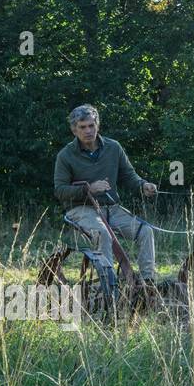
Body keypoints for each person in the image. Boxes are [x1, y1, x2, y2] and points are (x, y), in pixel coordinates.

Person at [53, 104, 158, 283]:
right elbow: (60, 191)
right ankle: (109, 286)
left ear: (98, 125)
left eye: (91, 125)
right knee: (103, 234)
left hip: (111, 208)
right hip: (81, 209)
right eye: (82, 127)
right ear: (74, 130)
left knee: (145, 231)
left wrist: (144, 185)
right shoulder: (66, 155)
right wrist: (88, 189)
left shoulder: (113, 147)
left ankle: (148, 284)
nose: (88, 130)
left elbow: (129, 176)